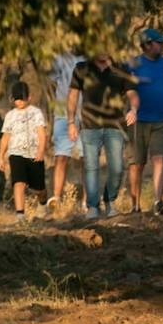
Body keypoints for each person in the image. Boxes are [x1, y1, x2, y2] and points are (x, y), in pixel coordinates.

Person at [68, 52, 136, 219]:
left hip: (115, 126)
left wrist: (133, 109)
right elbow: (73, 96)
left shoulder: (121, 68)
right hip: (90, 126)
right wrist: (71, 121)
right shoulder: (81, 69)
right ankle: (93, 206)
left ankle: (109, 200)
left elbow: (132, 93)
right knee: (91, 167)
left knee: (117, 167)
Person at [128, 28, 163, 215]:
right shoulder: (134, 64)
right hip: (139, 121)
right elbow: (127, 90)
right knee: (137, 163)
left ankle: (158, 201)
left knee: (159, 160)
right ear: (147, 45)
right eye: (159, 42)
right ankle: (135, 205)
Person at [0, 81, 47, 222]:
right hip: (16, 153)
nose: (19, 101)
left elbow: (42, 134)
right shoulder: (10, 116)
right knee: (18, 183)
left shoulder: (36, 113)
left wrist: (41, 151)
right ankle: (20, 216)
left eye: (22, 98)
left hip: (34, 155)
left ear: (29, 98)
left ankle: (43, 203)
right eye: (17, 99)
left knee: (38, 188)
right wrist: (1, 156)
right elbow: (5, 137)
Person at [48, 52, 84, 209]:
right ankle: (56, 197)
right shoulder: (60, 58)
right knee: (61, 156)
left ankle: (87, 201)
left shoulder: (90, 57)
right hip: (63, 113)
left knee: (87, 158)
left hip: (86, 114)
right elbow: (51, 84)